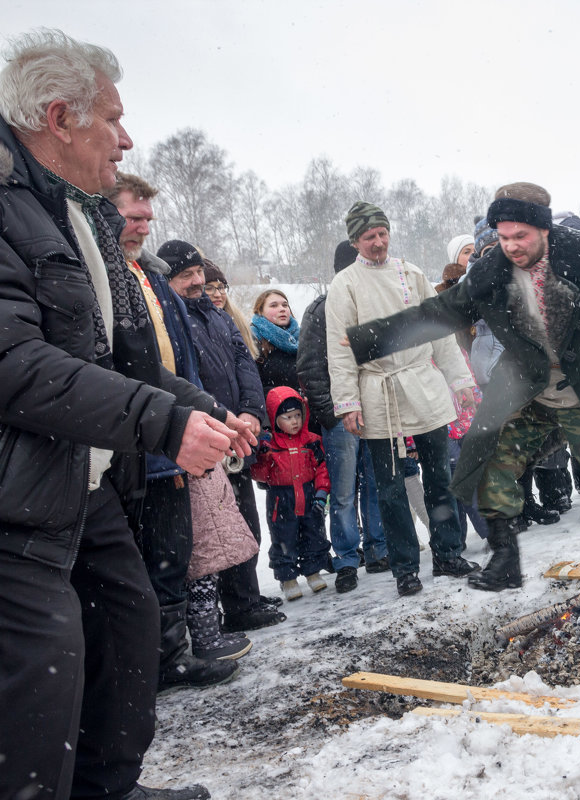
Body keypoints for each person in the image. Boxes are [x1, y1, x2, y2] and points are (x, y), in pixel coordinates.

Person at [0, 29, 254, 800]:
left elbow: (118, 360)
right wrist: (159, 423)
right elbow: (13, 363)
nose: (127, 137)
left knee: (130, 624)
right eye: (113, 118)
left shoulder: (77, 215)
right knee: (42, 675)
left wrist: (203, 410)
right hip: (15, 493)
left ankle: (107, 787)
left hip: (82, 478)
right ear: (59, 118)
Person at [345, 183, 580, 591]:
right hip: (529, 387)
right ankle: (505, 560)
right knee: (489, 461)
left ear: (544, 230)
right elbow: (441, 311)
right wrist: (372, 339)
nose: (512, 246)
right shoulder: (490, 270)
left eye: (521, 236)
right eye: (503, 237)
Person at [104, 172, 240, 691]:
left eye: (147, 216)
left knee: (174, 551)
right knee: (138, 559)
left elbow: (176, 362)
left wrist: (205, 408)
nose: (144, 224)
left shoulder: (153, 278)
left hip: (173, 427)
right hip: (132, 434)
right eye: (133, 216)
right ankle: (143, 666)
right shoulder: (104, 274)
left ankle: (172, 654)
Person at [326, 201, 480, 597]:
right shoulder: (345, 285)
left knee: (439, 477)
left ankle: (447, 553)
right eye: (368, 237)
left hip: (423, 385)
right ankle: (405, 568)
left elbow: (439, 330)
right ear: (355, 241)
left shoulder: (411, 274)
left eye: (381, 234)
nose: (377, 242)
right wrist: (348, 402)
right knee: (392, 488)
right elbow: (339, 350)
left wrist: (460, 379)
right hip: (380, 393)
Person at [159, 239, 286, 632]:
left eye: (200, 273)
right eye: (187, 276)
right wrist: (217, 420)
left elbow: (244, 363)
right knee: (214, 528)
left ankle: (245, 598)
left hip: (237, 432)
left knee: (243, 520)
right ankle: (224, 609)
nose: (198, 282)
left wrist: (250, 412)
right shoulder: (170, 319)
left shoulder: (217, 316)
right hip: (206, 434)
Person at [297, 240, 388, 593]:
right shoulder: (322, 309)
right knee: (345, 490)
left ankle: (379, 548)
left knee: (378, 484)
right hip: (341, 415)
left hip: (376, 409)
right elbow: (309, 365)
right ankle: (348, 558)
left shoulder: (374, 303)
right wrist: (331, 413)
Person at [251, 387, 332, 600]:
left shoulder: (311, 441)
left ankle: (313, 572)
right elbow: (260, 475)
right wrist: (263, 457)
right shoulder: (270, 445)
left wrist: (322, 491)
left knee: (313, 533)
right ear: (275, 419)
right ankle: (288, 578)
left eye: (297, 415)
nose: (294, 421)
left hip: (309, 495)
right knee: (283, 538)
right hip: (281, 498)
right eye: (287, 417)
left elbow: (322, 467)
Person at [251, 288, 302, 395]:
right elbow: (251, 386)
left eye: (285, 305)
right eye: (274, 305)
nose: (282, 309)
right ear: (260, 311)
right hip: (271, 408)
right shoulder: (252, 339)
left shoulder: (303, 336)